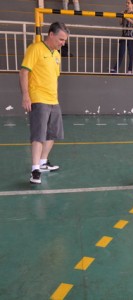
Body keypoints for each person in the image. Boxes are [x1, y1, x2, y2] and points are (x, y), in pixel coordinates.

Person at [19, 22, 69, 184]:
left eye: (65, 40)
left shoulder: (56, 55)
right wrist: (26, 95)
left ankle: (43, 162)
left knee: (53, 133)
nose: (63, 43)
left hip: (53, 99)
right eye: (61, 39)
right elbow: (24, 71)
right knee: (39, 135)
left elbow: (54, 78)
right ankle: (35, 169)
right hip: (38, 97)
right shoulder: (35, 49)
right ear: (51, 35)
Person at [110, 0, 133, 74]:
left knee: (131, 53)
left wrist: (128, 18)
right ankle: (116, 68)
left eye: (128, 3)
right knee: (121, 52)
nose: (127, 4)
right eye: (126, 3)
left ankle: (130, 70)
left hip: (132, 36)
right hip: (124, 35)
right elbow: (120, 23)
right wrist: (121, 16)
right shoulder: (124, 12)